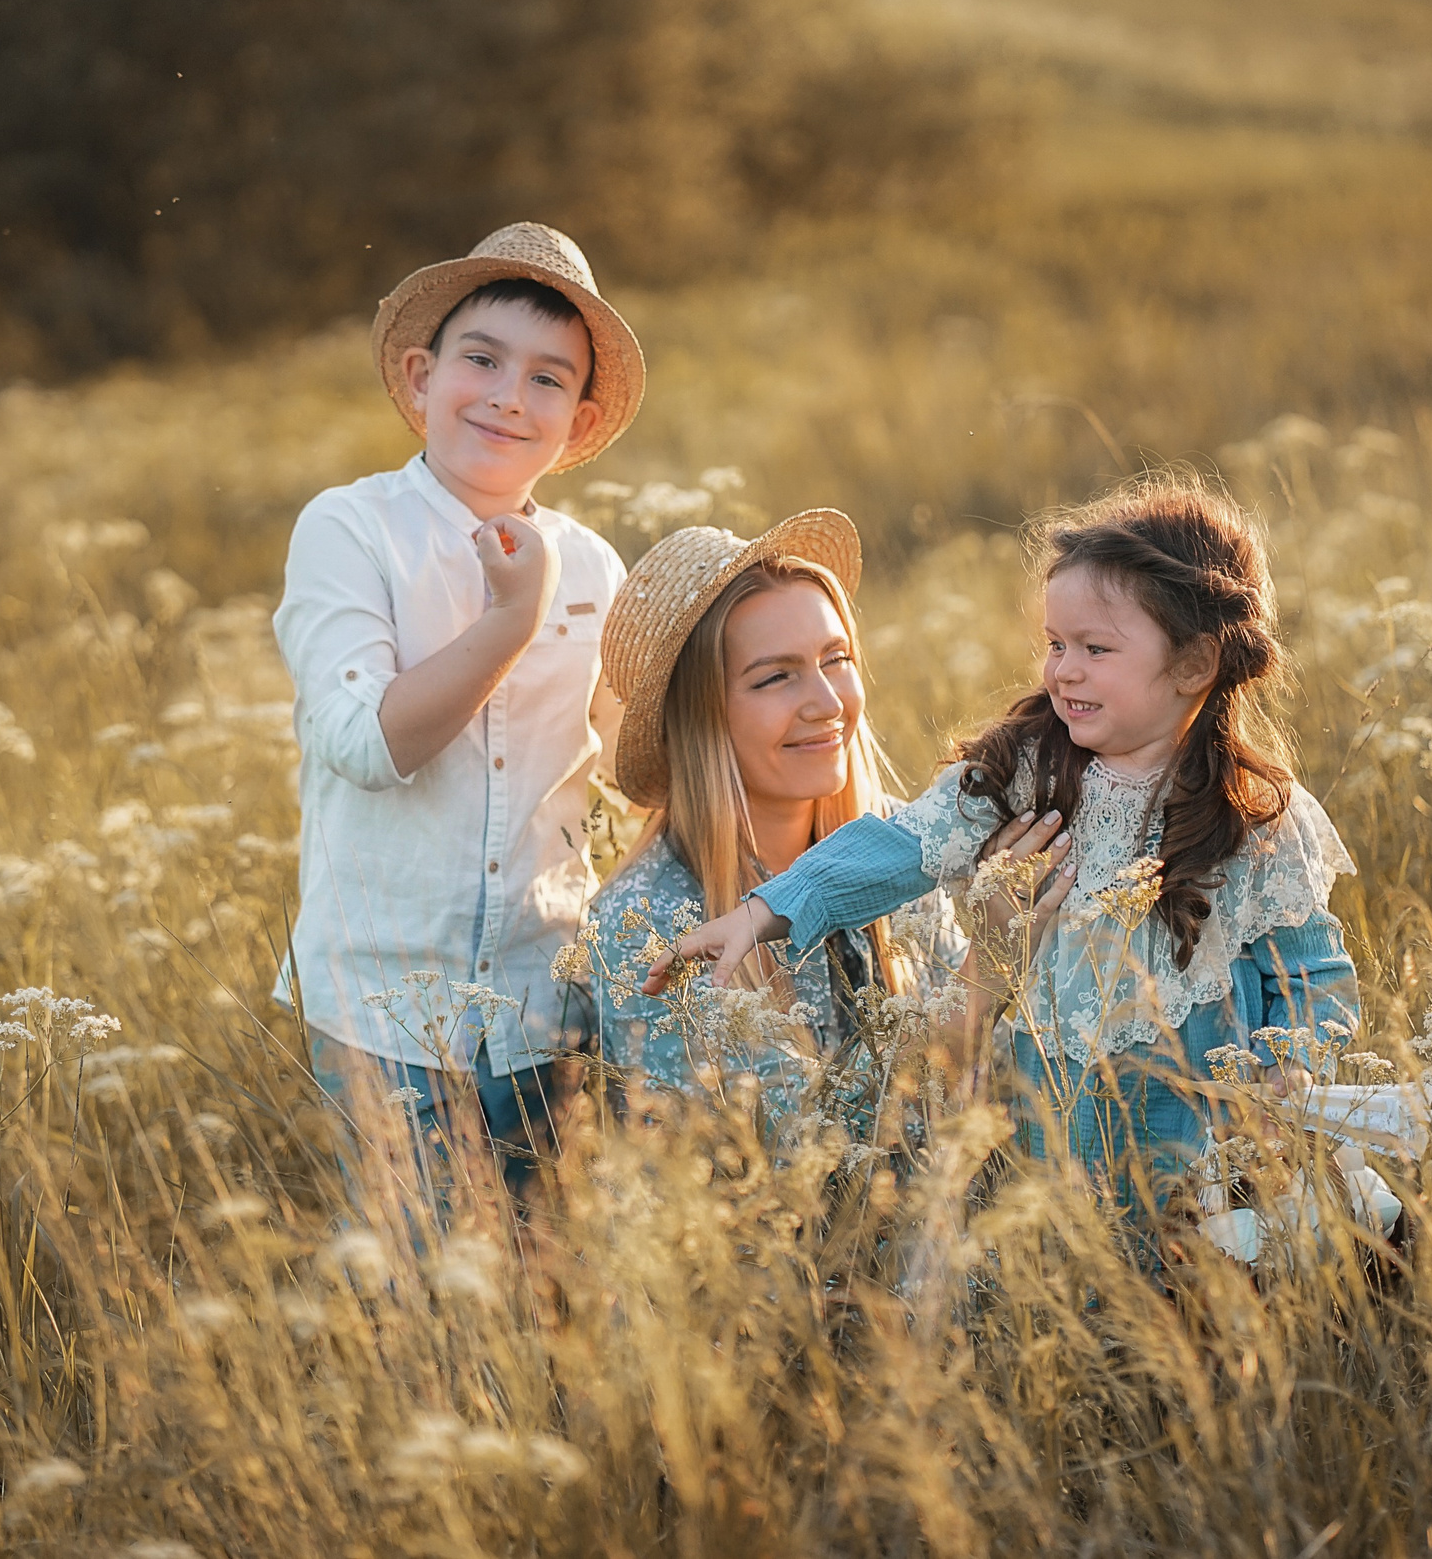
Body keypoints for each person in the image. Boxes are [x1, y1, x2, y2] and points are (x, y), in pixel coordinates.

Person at [653, 476, 1358, 1222]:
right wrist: (765, 910)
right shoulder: (1027, 772)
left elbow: (1312, 972)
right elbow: (897, 847)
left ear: (1193, 665)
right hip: (1045, 1126)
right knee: (1065, 1268)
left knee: (1179, 1277)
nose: (1063, 670)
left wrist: (1291, 1073)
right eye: (1055, 644)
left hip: (1197, 1141)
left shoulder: (1257, 817)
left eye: (1095, 647)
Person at [272, 223, 645, 1203]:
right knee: (432, 1291)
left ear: (579, 416)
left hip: (541, 993)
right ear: (419, 375)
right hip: (386, 1003)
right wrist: (510, 623)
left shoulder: (595, 566)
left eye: (547, 379)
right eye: (481, 360)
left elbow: (628, 768)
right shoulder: (351, 529)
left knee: (535, 1274)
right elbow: (363, 746)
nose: (507, 396)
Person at [580, 511, 963, 1146]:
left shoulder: (899, 839)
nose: (828, 703)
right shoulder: (649, 924)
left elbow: (997, 1104)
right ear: (701, 720)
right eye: (775, 677)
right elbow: (794, 1177)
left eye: (835, 658)